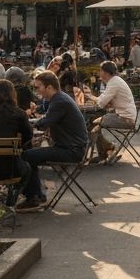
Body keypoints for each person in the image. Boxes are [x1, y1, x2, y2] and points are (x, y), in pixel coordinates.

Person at [17, 70, 90, 212]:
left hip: (71, 151)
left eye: (38, 87)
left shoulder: (59, 101)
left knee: (26, 156)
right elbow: (44, 108)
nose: (36, 91)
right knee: (30, 155)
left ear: (49, 87)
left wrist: (25, 123)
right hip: (71, 147)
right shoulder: (57, 98)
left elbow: (44, 123)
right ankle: (37, 195)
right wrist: (36, 109)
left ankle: (34, 198)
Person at [93, 60, 137, 161]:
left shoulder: (114, 82)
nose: (100, 73)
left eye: (100, 71)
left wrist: (89, 96)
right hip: (126, 116)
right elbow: (108, 103)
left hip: (125, 119)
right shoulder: (115, 80)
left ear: (105, 72)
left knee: (93, 122)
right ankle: (106, 151)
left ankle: (108, 151)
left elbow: (101, 102)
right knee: (94, 124)